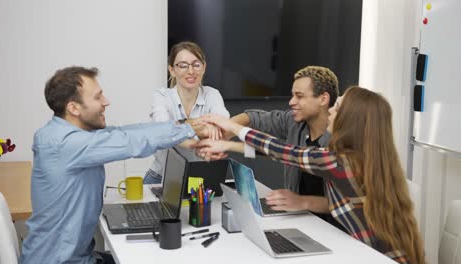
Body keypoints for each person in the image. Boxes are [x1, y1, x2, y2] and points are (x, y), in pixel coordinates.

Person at [196, 87, 425, 264]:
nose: (332, 111)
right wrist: (228, 145)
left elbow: (285, 152)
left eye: (338, 108)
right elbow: (288, 155)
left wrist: (232, 127)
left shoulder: (343, 162)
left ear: (351, 120)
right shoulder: (361, 157)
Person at [20, 66, 205, 264]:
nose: (106, 102)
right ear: (74, 108)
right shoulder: (65, 144)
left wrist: (183, 126)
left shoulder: (70, 134)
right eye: (98, 97)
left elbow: (125, 132)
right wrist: (188, 129)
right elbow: (129, 142)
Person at [223, 66, 341, 226]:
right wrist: (227, 131)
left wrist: (302, 201)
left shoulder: (344, 141)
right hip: (300, 219)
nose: (291, 102)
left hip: (337, 229)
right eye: (293, 95)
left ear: (323, 99)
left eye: (299, 96)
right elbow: (255, 119)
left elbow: (350, 203)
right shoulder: (294, 122)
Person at [143, 41, 229, 184]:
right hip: (160, 178)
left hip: (198, 178)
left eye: (196, 65)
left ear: (204, 67)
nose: (191, 71)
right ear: (172, 70)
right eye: (183, 65)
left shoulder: (212, 94)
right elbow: (164, 131)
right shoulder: (161, 96)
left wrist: (178, 129)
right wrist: (203, 128)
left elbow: (223, 125)